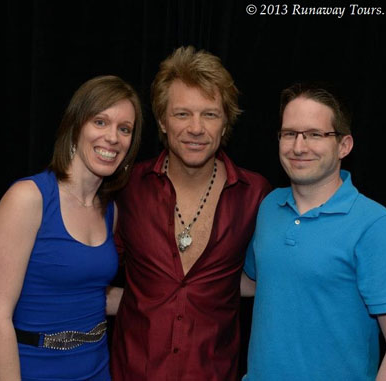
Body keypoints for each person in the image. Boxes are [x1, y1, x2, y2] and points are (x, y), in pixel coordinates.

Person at [108, 46, 271, 381]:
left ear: (226, 123)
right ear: (162, 122)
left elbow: (276, 276)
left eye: (210, 114)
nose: (196, 128)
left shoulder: (256, 195)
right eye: (182, 114)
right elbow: (89, 273)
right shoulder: (127, 188)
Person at [241, 82, 386, 380]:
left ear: (344, 145)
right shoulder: (270, 207)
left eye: (315, 134)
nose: (299, 147)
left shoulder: (377, 226)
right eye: (289, 134)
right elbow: (255, 282)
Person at [0, 75, 143, 381]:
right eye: (100, 122)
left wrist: (173, 299)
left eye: (125, 129)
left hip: (96, 369)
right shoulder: (28, 199)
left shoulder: (110, 211)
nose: (113, 137)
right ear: (75, 126)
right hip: (33, 369)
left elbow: (89, 293)